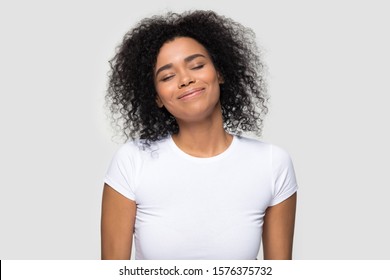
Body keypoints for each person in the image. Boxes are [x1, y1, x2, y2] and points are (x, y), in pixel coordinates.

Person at [101, 10, 298, 260]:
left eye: (197, 65)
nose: (185, 79)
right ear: (157, 98)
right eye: (168, 76)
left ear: (220, 73)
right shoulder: (132, 161)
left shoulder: (272, 163)